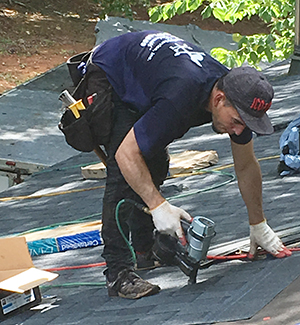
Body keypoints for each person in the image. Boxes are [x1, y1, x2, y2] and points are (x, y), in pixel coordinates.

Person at [89, 30, 291, 299]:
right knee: (124, 175)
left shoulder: (236, 96)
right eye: (238, 121)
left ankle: (144, 249)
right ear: (219, 100)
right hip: (111, 72)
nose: (239, 129)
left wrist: (258, 224)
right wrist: (158, 206)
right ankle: (118, 274)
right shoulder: (180, 97)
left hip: (153, 73)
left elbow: (246, 165)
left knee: (156, 164)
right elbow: (126, 155)